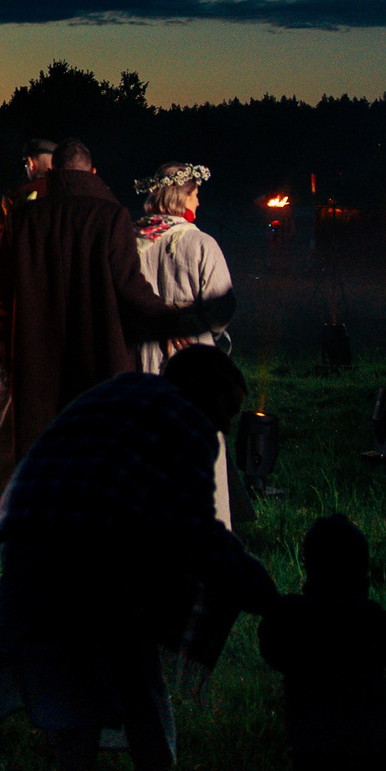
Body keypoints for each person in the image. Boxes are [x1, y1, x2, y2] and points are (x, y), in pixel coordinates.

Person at [0, 348, 279, 771]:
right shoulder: (188, 423)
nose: (226, 427)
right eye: (225, 409)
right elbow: (196, 532)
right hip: (91, 547)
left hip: (26, 531)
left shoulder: (117, 391)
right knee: (137, 682)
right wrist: (264, 592)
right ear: (200, 391)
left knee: (77, 690)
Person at [0, 140, 237, 489]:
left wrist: (2, 320)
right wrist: (172, 321)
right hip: (96, 344)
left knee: (42, 433)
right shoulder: (110, 217)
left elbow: (2, 280)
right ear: (92, 173)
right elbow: (129, 287)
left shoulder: (22, 218)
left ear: (54, 173)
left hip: (37, 345)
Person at [259, 514, 386, 771]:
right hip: (372, 748)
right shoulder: (371, 620)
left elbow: (270, 648)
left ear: (308, 572)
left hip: (313, 747)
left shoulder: (293, 620)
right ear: (363, 577)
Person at [132, 162, 235, 524]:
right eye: (195, 193)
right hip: (192, 362)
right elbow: (223, 308)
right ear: (180, 196)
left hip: (141, 360)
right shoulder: (200, 242)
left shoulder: (130, 242)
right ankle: (207, 528)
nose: (198, 201)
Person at [0, 138, 60, 502]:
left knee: (13, 397)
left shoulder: (20, 199)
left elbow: (5, 264)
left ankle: (3, 482)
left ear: (31, 162)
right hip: (61, 312)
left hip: (22, 310)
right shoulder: (75, 199)